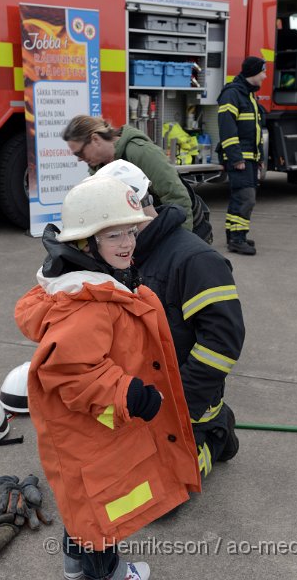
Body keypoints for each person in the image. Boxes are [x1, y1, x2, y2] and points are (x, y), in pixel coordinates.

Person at [14, 176, 201, 580]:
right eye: (113, 234)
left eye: (131, 231)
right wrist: (127, 392)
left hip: (90, 431)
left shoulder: (96, 283)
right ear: (86, 243)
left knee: (83, 506)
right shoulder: (89, 305)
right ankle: (107, 574)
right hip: (95, 429)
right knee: (102, 521)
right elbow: (67, 369)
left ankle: (72, 565)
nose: (127, 242)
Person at [95, 160, 245, 479]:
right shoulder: (124, 255)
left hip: (187, 404)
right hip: (142, 395)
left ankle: (215, 436)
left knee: (160, 485)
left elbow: (222, 344)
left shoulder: (195, 260)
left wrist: (180, 406)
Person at [61, 114, 194, 231]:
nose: (78, 159)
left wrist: (181, 245)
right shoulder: (97, 167)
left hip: (170, 233)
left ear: (95, 139)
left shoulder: (141, 152)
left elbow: (177, 197)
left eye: (80, 152)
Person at [217, 56, 267, 255]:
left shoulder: (248, 95)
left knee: (240, 198)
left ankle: (235, 235)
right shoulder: (232, 94)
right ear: (253, 73)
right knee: (246, 199)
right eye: (262, 71)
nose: (265, 76)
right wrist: (236, 158)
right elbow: (227, 129)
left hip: (250, 158)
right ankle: (237, 239)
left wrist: (260, 156)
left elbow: (254, 130)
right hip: (241, 159)